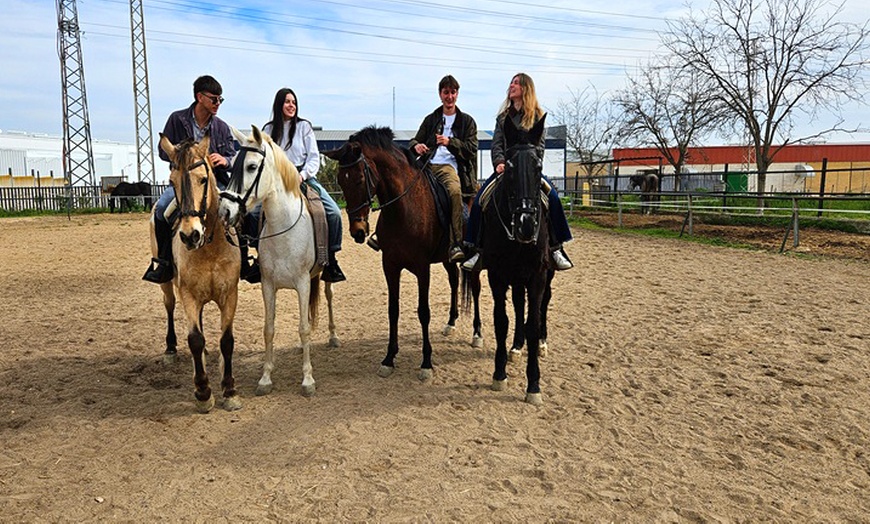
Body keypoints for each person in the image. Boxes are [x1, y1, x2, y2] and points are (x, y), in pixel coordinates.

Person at [143, 75, 260, 284]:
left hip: (215, 182)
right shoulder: (177, 120)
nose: (217, 104)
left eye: (220, 100)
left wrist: (224, 160)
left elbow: (233, 156)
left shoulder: (222, 128)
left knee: (241, 211)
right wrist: (183, 153)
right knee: (161, 210)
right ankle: (164, 264)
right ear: (200, 97)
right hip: (185, 183)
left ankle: (245, 262)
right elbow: (163, 153)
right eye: (214, 99)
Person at [462, 73, 574, 271]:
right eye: (511, 83)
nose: (511, 86)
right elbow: (496, 144)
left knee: (554, 199)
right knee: (480, 200)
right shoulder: (503, 118)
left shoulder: (537, 117)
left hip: (529, 172)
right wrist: (499, 162)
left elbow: (539, 147)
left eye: (516, 83)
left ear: (525, 88)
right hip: (506, 170)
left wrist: (529, 165)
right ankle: (477, 249)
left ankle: (556, 247)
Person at [262, 87, 346, 283]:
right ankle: (258, 262)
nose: (291, 106)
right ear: (279, 104)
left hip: (303, 177)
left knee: (333, 212)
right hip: (276, 181)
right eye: (287, 102)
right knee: (255, 213)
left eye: (294, 102)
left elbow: (314, 158)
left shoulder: (304, 127)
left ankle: (331, 261)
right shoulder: (267, 130)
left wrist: (302, 175)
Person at [404, 74, 479, 262]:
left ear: (457, 94)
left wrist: (450, 142)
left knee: (454, 191)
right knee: (402, 184)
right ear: (440, 94)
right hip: (427, 164)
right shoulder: (431, 119)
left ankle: (455, 243)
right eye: (446, 92)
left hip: (450, 168)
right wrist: (416, 146)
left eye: (453, 92)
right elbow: (414, 139)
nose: (449, 96)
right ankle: (386, 234)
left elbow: (471, 149)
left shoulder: (467, 121)